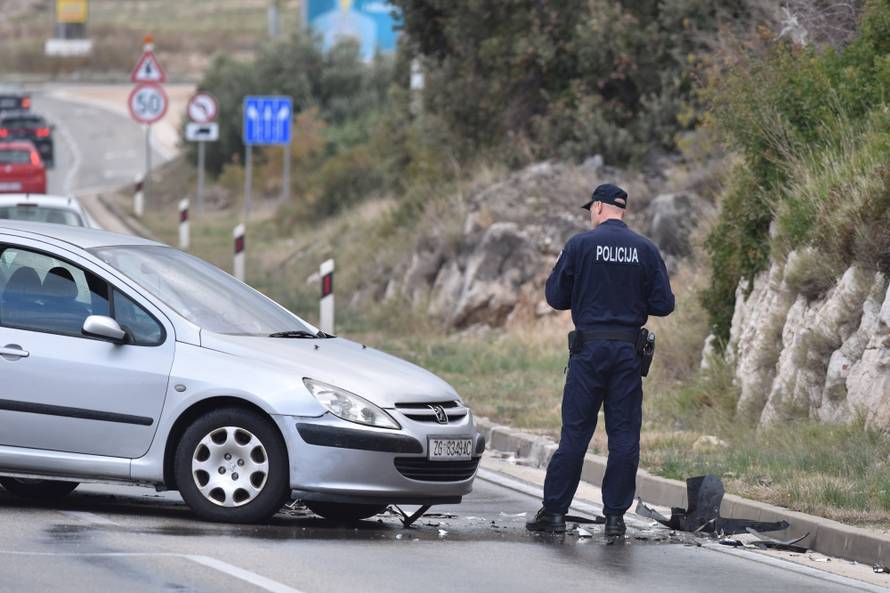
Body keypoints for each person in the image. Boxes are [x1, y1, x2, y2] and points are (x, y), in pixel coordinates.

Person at [526, 183, 675, 536]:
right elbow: (664, 305)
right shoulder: (645, 249)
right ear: (621, 210)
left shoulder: (579, 245)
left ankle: (555, 513)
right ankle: (614, 518)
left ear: (597, 208)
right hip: (627, 353)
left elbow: (555, 297)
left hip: (588, 352)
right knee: (624, 436)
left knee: (575, 434)